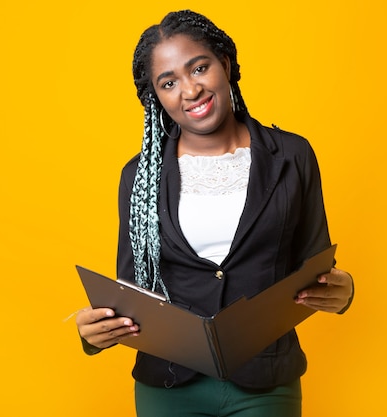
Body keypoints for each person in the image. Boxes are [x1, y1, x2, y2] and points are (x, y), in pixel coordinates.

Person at [75, 9, 354, 417]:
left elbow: (314, 266)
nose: (190, 90)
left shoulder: (293, 156)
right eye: (168, 83)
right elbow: (131, 289)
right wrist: (94, 333)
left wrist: (343, 292)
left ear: (224, 63)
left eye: (199, 67)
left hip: (266, 381)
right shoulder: (138, 176)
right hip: (168, 386)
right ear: (156, 96)